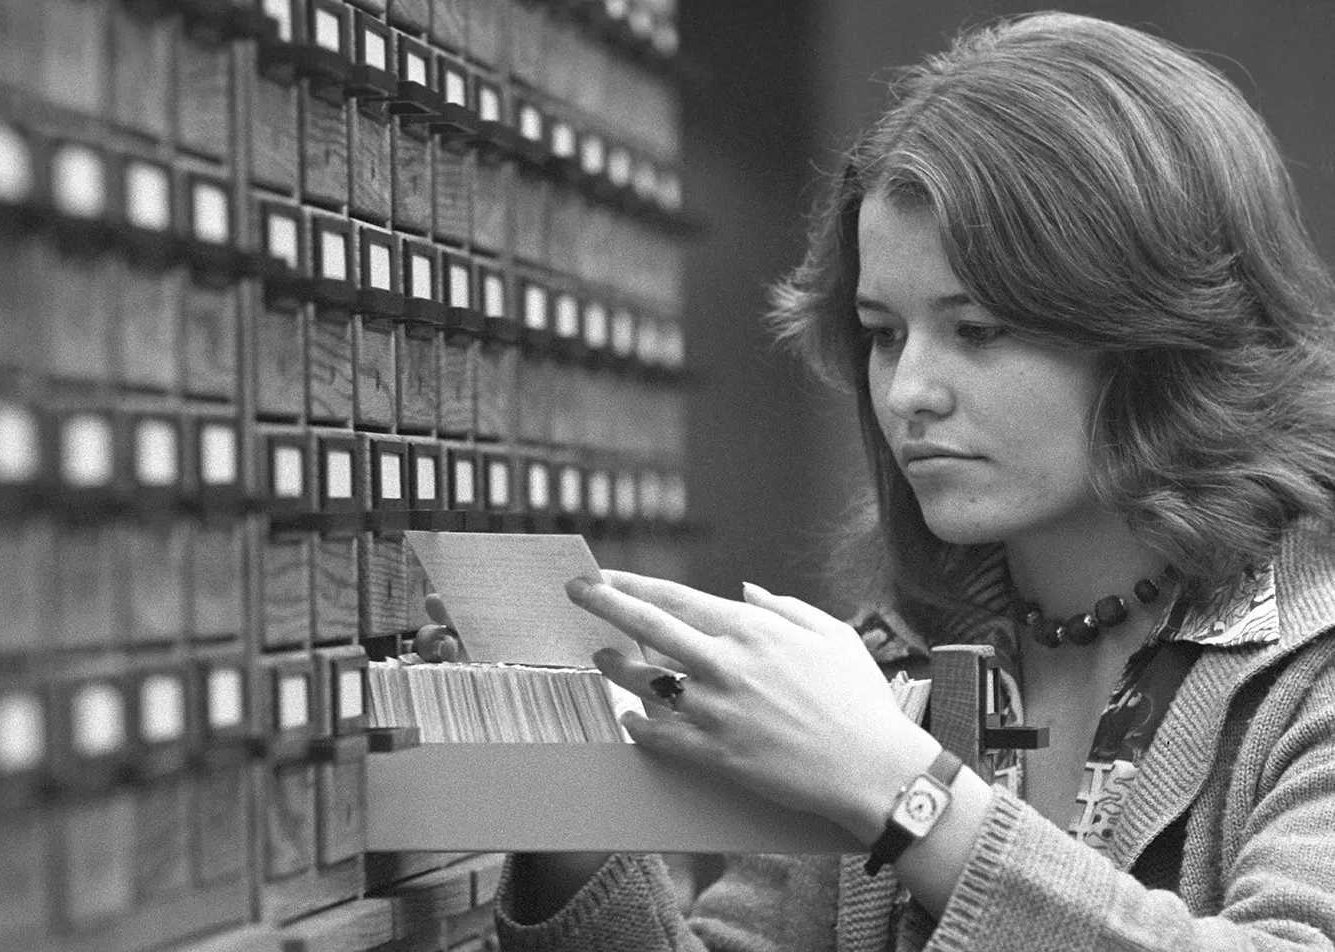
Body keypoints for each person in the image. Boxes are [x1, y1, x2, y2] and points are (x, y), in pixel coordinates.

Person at [415, 10, 1335, 950]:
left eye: (976, 330)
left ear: (1157, 334)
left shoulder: (1315, 666)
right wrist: (573, 801)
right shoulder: (894, 668)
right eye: (885, 334)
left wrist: (900, 792)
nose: (909, 392)